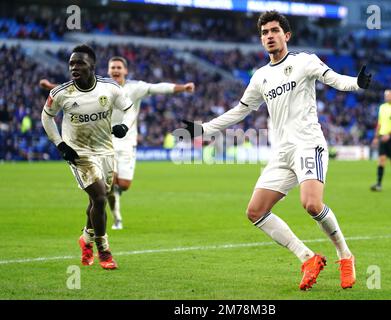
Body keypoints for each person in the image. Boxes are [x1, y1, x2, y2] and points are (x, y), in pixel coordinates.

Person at [182, 11, 371, 290]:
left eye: (274, 31)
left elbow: (332, 78)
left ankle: (345, 256)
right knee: (255, 211)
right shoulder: (260, 77)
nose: (269, 36)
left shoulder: (304, 61)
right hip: (281, 153)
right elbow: (240, 111)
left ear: (287, 35)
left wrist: (356, 83)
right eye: (264, 33)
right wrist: (205, 130)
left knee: (311, 204)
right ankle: (307, 258)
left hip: (308, 144)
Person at [40, 57, 195, 230]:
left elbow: (158, 87)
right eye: (112, 67)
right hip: (103, 141)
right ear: (108, 70)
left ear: (125, 71)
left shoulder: (136, 87)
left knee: (124, 185)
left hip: (127, 142)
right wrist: (50, 87)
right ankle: (116, 218)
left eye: (118, 67)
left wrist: (183, 88)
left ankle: (113, 196)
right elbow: (72, 91)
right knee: (108, 184)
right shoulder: (100, 87)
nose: (115, 70)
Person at [41, 44, 135, 269]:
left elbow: (129, 108)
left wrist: (124, 125)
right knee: (101, 197)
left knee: (96, 200)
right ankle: (104, 250)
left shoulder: (109, 88)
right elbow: (46, 118)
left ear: (92, 65)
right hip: (79, 153)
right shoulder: (60, 93)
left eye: (80, 63)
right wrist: (61, 144)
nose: (74, 67)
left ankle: (85, 239)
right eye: (71, 63)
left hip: (105, 150)